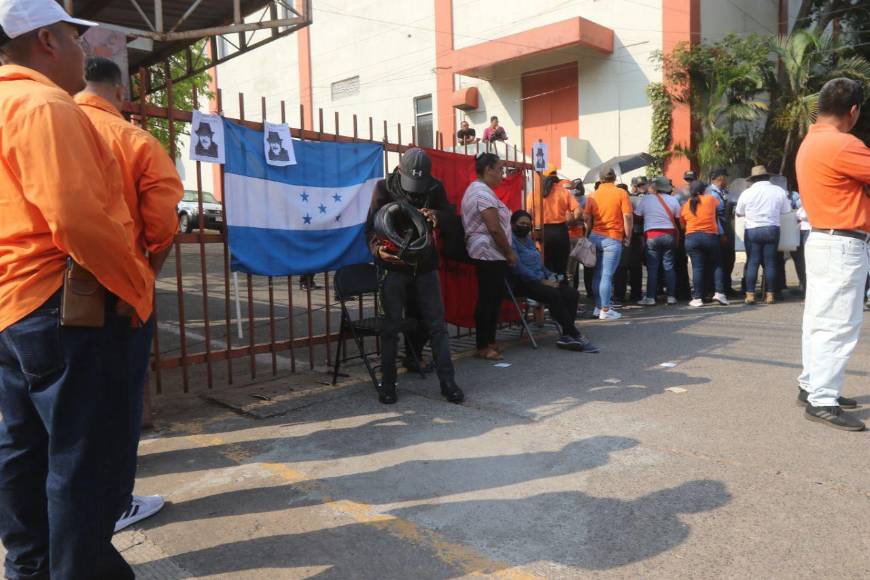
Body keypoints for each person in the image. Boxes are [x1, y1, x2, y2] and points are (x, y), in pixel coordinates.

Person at [0, 2, 156, 577]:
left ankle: (29, 567)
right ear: (46, 39)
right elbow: (77, 216)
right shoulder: (44, 105)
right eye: (74, 36)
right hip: (59, 310)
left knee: (23, 448)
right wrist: (137, 284)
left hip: (11, 309)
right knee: (83, 463)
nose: (83, 50)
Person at [75, 56, 184, 533]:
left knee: (59, 413)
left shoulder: (43, 125)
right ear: (119, 92)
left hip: (41, 293)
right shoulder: (134, 140)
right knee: (118, 405)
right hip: (119, 293)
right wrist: (144, 277)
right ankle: (115, 505)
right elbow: (162, 227)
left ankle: (62, 511)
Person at [795, 77, 869, 431]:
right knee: (839, 324)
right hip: (842, 242)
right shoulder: (843, 144)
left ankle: (812, 385)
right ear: (853, 111)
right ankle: (823, 398)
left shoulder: (811, 141)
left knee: (820, 319)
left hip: (823, 238)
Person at [365, 148, 464, 405]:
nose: (416, 190)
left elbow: (452, 219)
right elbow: (370, 229)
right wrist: (378, 251)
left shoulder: (434, 188)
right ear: (399, 169)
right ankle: (388, 385)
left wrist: (438, 217)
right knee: (390, 328)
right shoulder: (383, 188)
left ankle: (448, 383)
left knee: (437, 327)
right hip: (395, 267)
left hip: (425, 266)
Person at [509, 210, 600, 352]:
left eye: (528, 223)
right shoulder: (511, 241)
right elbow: (517, 267)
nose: (525, 226)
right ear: (513, 224)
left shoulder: (528, 240)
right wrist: (541, 280)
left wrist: (550, 275)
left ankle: (566, 335)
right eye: (522, 223)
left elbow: (538, 264)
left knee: (571, 293)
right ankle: (574, 333)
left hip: (540, 279)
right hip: (524, 282)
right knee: (554, 294)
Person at [462, 153, 516, 360]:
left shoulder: (483, 191)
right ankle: (483, 345)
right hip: (488, 252)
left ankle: (489, 341)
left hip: (491, 252)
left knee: (492, 299)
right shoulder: (481, 192)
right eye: (500, 169)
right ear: (488, 170)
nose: (502, 174)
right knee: (487, 299)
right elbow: (494, 227)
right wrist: (509, 253)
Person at [735, 165, 790, 305]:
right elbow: (786, 211)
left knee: (753, 261)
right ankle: (770, 295)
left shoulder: (747, 193)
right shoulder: (779, 191)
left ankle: (750, 295)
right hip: (772, 228)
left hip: (752, 230)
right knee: (770, 263)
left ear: (753, 179)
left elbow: (739, 212)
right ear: (768, 177)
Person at [584, 167, 633, 320]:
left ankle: (598, 308)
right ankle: (606, 309)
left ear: (601, 178)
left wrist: (588, 234)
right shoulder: (621, 193)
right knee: (606, 275)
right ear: (614, 178)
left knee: (597, 274)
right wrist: (628, 236)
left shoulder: (593, 195)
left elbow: (586, 217)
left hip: (595, 236)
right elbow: (628, 217)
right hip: (612, 237)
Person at [680, 181, 729, 307]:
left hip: (691, 237)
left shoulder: (686, 205)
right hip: (710, 236)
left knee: (697, 268)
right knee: (717, 264)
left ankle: (697, 298)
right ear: (704, 190)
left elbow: (682, 224)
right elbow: (721, 208)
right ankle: (719, 293)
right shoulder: (711, 199)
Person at [635, 176, 682, 305]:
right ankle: (671, 296)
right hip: (669, 235)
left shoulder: (646, 199)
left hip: (652, 236)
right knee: (669, 266)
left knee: (653, 268)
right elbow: (679, 219)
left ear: (655, 187)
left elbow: (637, 217)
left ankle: (650, 297)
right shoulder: (673, 200)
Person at [525, 166, 579, 277]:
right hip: (560, 232)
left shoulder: (534, 193)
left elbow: (528, 215)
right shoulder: (564, 192)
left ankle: (549, 290)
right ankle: (562, 290)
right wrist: (571, 222)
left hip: (541, 232)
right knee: (561, 267)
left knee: (545, 266)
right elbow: (578, 212)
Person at [614, 177, 646, 304]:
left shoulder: (616, 201)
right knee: (635, 267)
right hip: (636, 235)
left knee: (620, 268)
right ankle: (636, 294)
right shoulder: (637, 200)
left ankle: (619, 296)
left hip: (621, 235)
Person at [708, 168, 736, 296]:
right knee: (720, 259)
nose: (727, 180)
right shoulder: (711, 193)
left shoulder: (723, 191)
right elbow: (713, 214)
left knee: (729, 258)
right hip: (718, 227)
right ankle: (718, 288)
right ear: (721, 178)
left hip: (726, 225)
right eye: (726, 177)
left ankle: (726, 286)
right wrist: (721, 233)